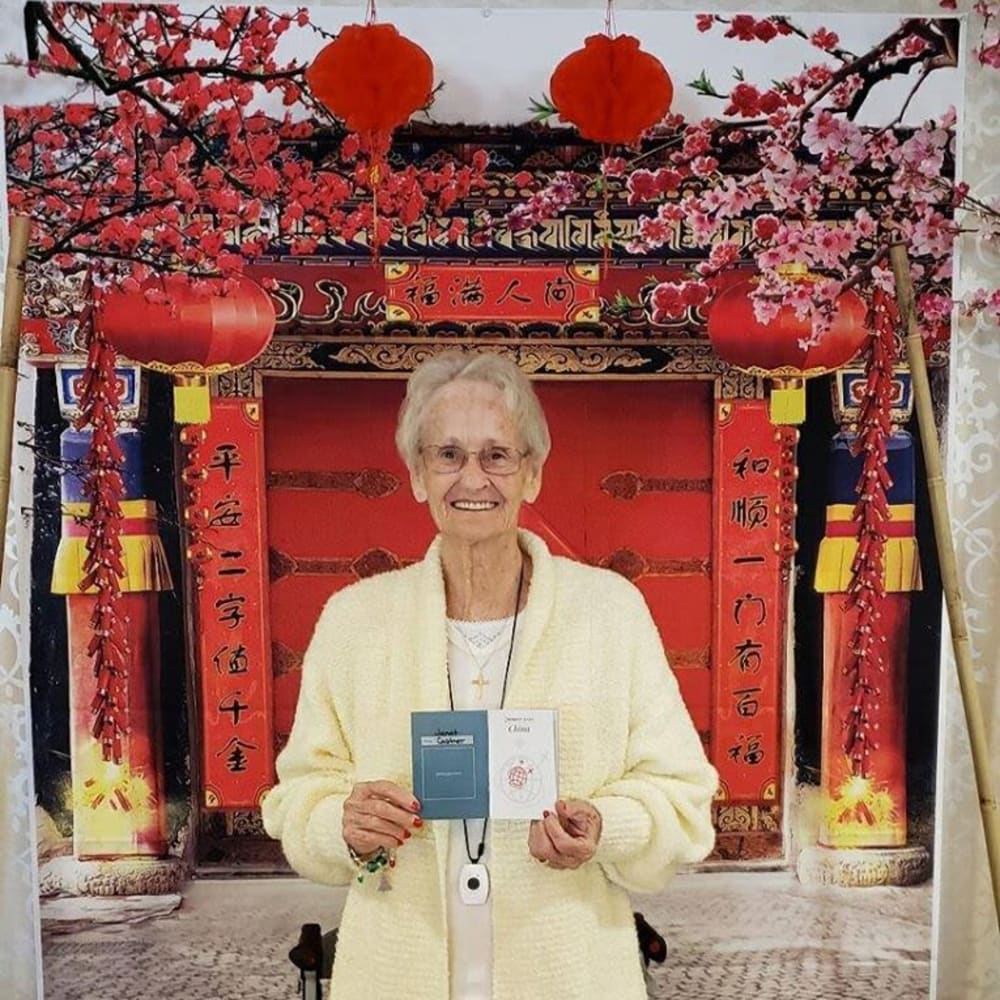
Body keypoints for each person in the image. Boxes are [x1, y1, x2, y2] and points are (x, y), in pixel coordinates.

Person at [262, 351, 718, 1000]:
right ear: (418, 475)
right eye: (447, 454)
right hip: (396, 971)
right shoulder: (355, 621)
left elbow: (680, 795)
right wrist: (340, 822)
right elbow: (300, 794)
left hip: (571, 972)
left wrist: (604, 826)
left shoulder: (608, 612)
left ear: (532, 475)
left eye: (497, 455)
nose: (471, 476)